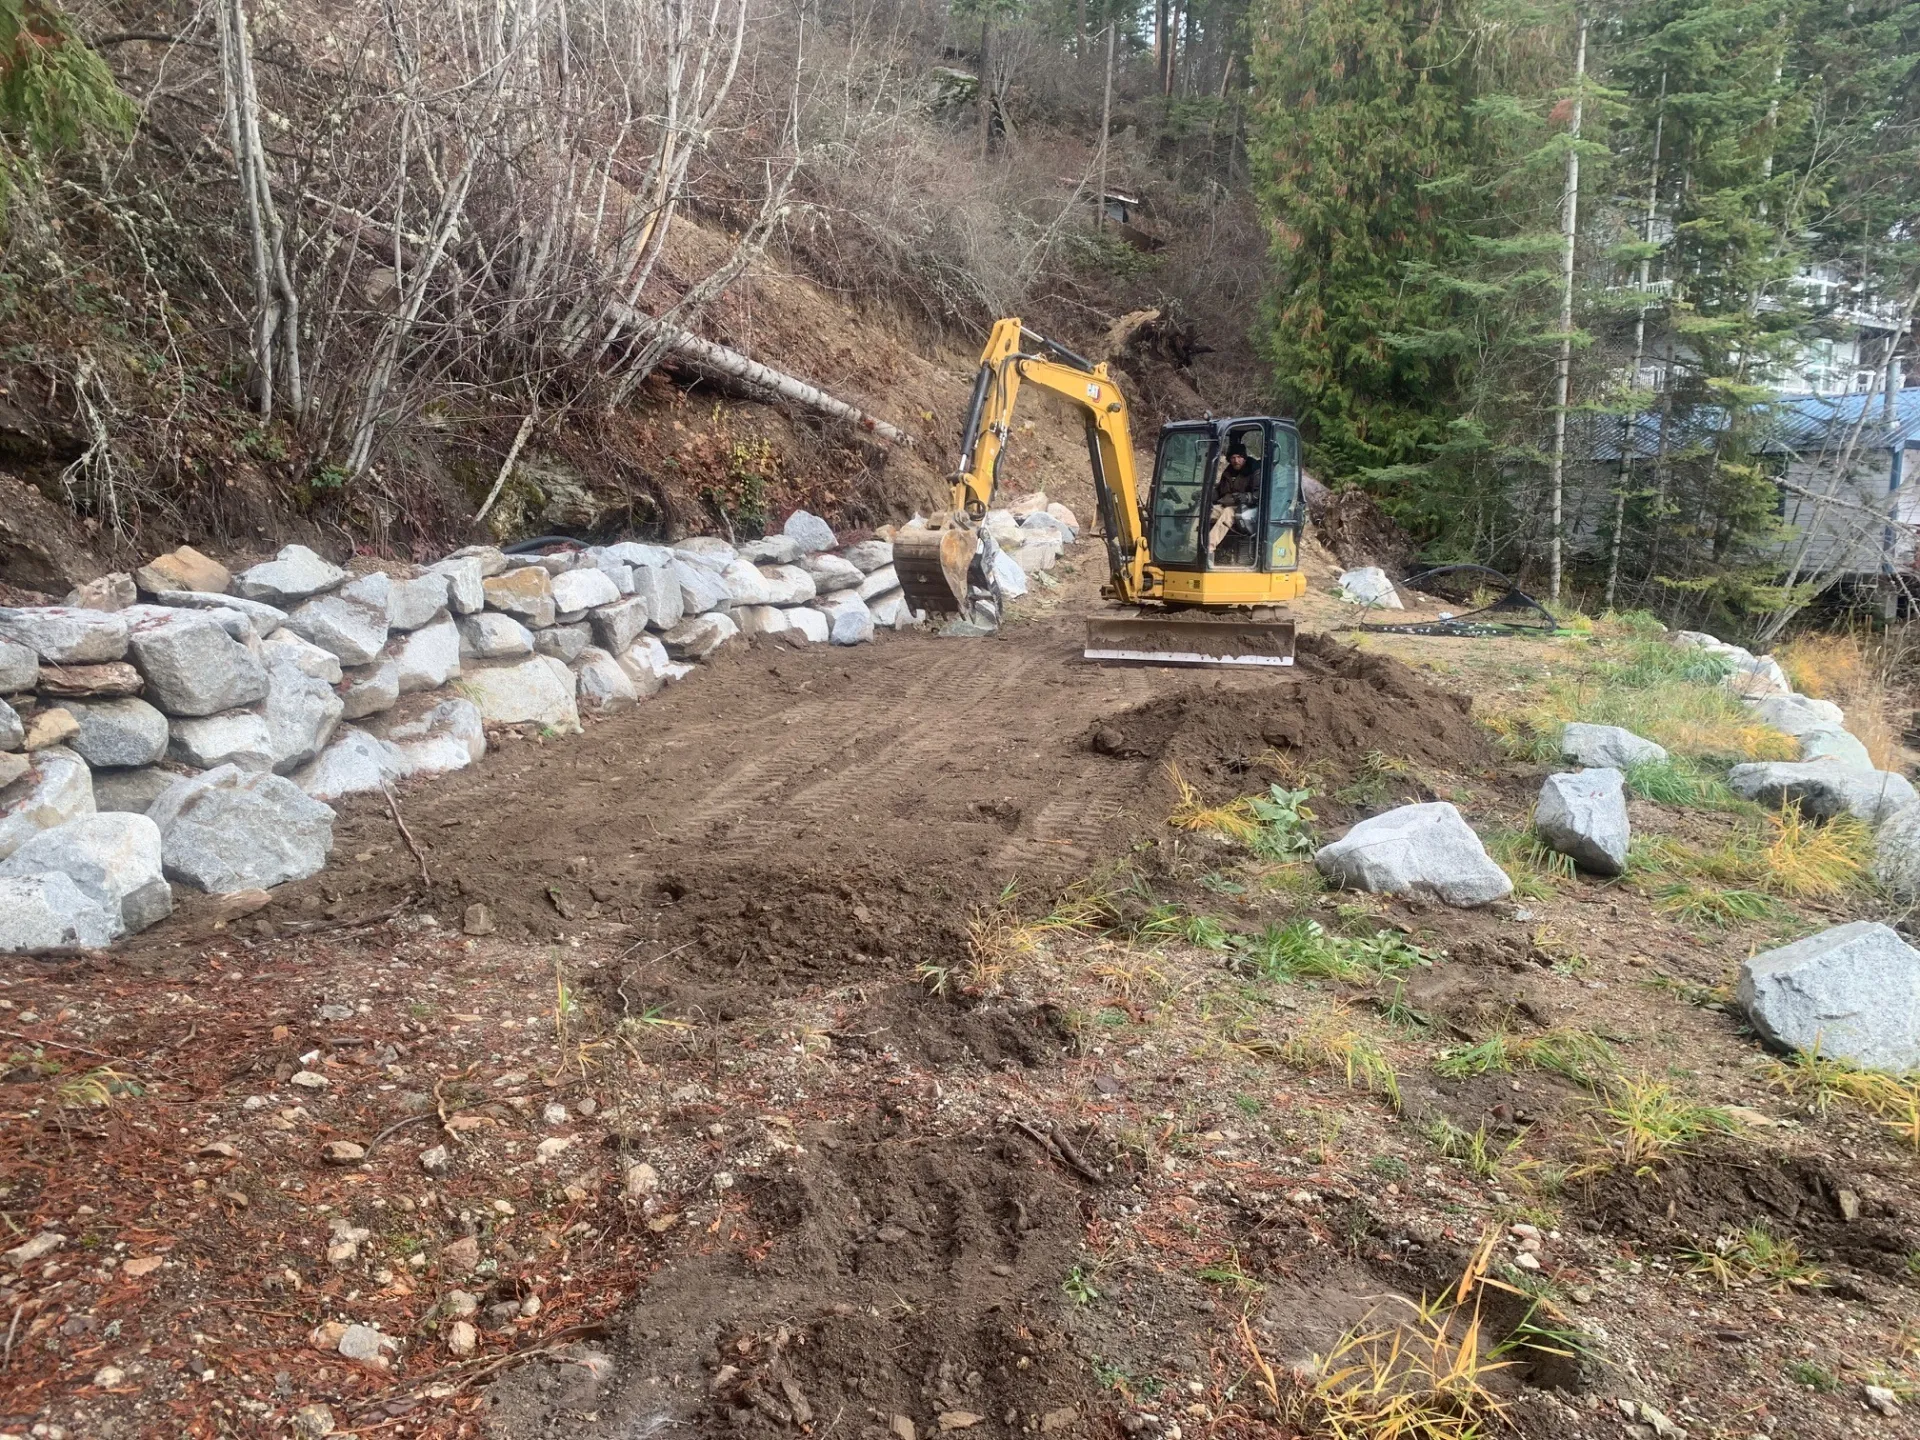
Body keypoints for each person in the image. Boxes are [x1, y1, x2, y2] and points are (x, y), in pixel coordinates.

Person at [1207, 445, 1259, 559]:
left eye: (1239, 457)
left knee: (1228, 513)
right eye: (1233, 457)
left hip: (1246, 508)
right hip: (1226, 502)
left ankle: (1208, 548)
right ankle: (1191, 545)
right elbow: (1220, 490)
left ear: (1244, 457)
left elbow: (1260, 493)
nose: (1236, 460)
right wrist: (1207, 496)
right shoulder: (1228, 471)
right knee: (1205, 512)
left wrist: (1247, 497)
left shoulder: (1254, 470)